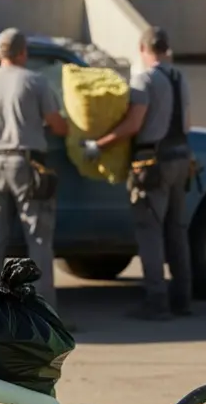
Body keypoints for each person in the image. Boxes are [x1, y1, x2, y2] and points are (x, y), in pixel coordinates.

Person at [82, 26, 193, 320]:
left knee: (150, 232)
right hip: (181, 158)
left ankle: (157, 301)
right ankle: (183, 299)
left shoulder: (144, 79)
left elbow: (133, 125)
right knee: (176, 231)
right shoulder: (180, 77)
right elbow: (188, 124)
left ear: (144, 49)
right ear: (165, 48)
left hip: (152, 163)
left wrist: (99, 145)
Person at [0, 27, 69, 312]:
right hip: (28, 164)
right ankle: (45, 312)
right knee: (37, 238)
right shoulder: (35, 82)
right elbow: (58, 124)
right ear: (23, 52)